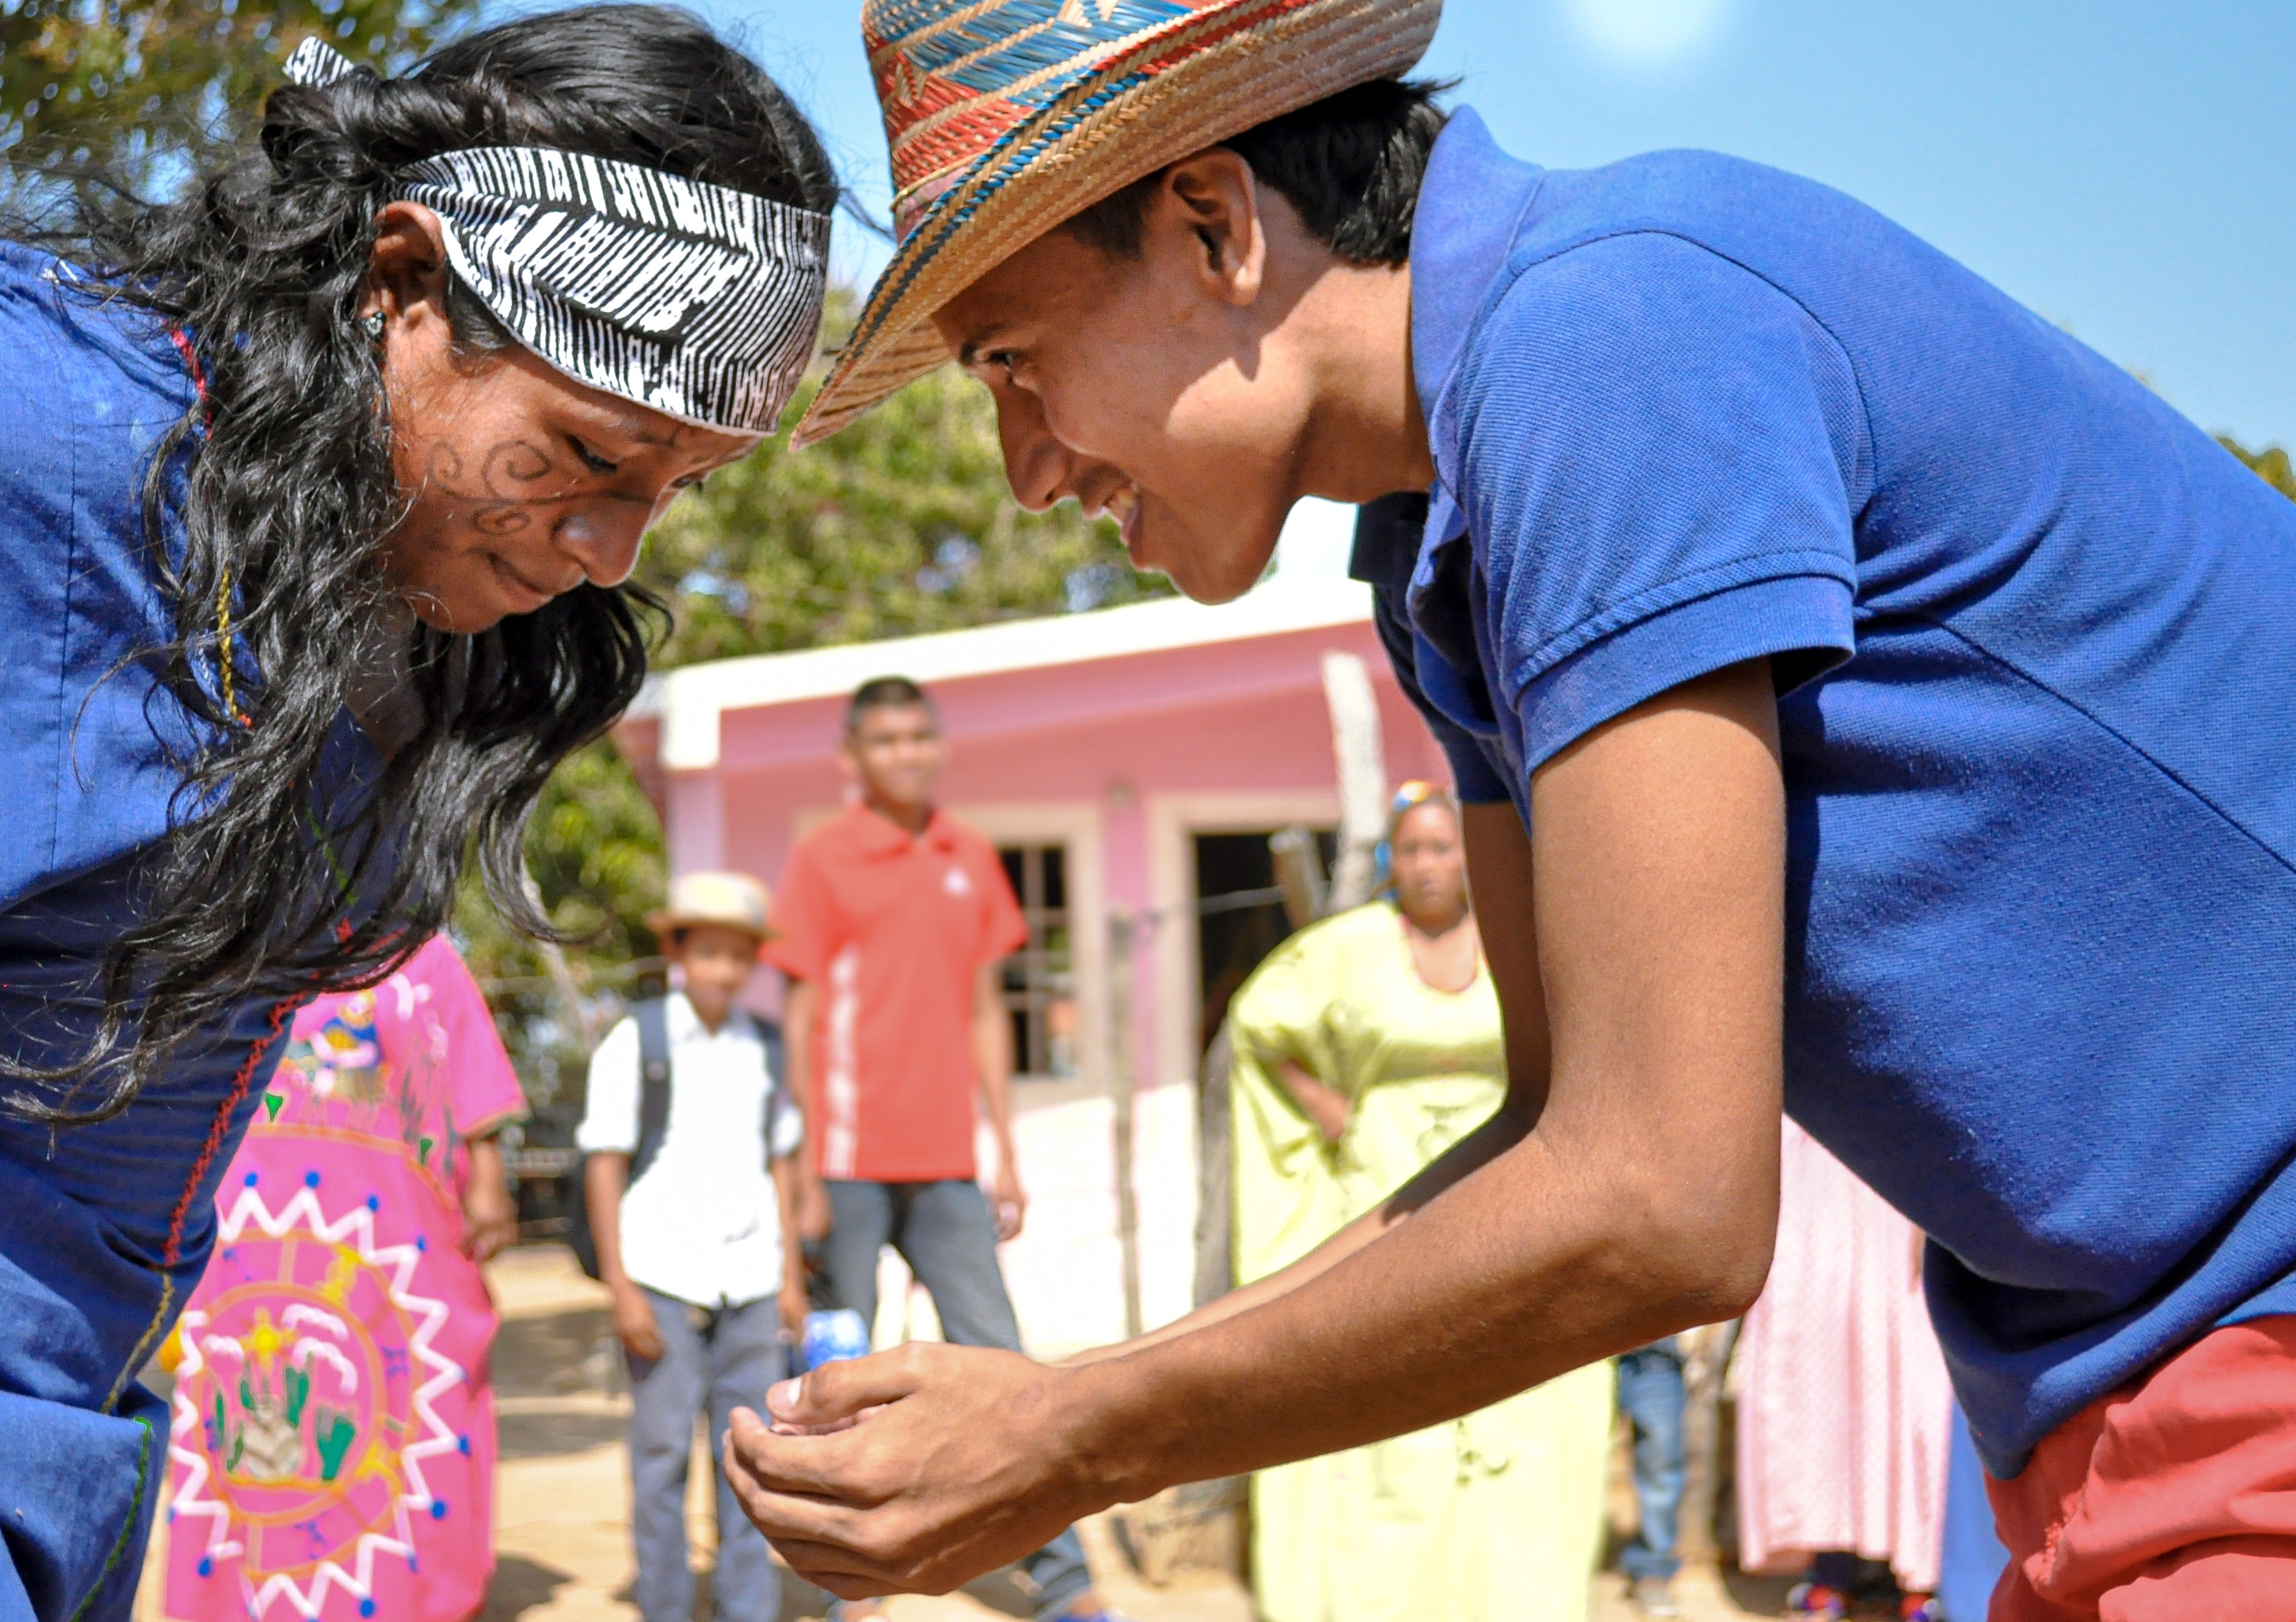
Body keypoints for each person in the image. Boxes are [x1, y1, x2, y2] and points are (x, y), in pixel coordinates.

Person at [724, 5, 2296, 1621]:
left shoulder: (1605, 339)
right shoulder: (1434, 543)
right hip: (2122, 1377)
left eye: (1013, 364)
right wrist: (1070, 1396)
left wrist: (1076, 1437)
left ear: (1212, 226)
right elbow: (1562, 1138)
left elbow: (1658, 1204)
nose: (1024, 470)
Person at [0, 9, 838, 1614]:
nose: (610, 543)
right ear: (399, 284)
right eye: (587, 453)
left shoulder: (401, 599)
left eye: (672, 489)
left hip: (5, 1453)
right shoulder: (12, 427)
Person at [761, 678, 1127, 1622]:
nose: (907, 753)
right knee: (841, 1379)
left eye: (920, 736)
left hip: (947, 1164)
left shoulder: (968, 853)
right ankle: (854, 1581)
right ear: (853, 756)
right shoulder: (822, 857)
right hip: (842, 1163)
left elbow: (982, 1011)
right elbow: (797, 1019)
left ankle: (1066, 1583)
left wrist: (1002, 1148)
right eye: (885, 740)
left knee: (999, 1360)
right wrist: (799, 1167)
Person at [1226, 783, 1610, 1622]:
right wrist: (1326, 1105)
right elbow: (1257, 1026)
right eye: (1413, 850)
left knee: (1514, 1391)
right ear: (1389, 863)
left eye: (1445, 848)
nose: (1430, 865)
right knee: (1397, 1373)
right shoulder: (1346, 949)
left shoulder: (1523, 938)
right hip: (1386, 1189)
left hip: (1505, 1188)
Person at [159, 935, 526, 1621]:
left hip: (399, 1238)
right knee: (247, 1422)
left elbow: (471, 1082)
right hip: (252, 1237)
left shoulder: (424, 958)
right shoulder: (235, 942)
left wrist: (490, 1187)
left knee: (411, 1413)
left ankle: (413, 1603)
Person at [580, 872, 808, 1622]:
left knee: (750, 1461)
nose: (724, 969)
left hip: (748, 1283)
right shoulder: (636, 1039)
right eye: (708, 952)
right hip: (662, 1280)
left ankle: (747, 1608)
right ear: (678, 952)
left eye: (738, 956)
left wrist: (789, 1280)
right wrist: (621, 1287)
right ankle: (666, 1607)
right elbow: (605, 1160)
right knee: (661, 1460)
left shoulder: (764, 1047)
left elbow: (780, 1160)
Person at [1735, 1119, 1954, 1622]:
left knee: (1911, 1387)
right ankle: (1832, 1573)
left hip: (1899, 1193)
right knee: (1825, 1391)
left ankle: (1916, 1579)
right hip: (1816, 1196)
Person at [1614, 1338, 1691, 1618]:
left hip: (1657, 1352)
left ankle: (1653, 1571)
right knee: (1573, 1464)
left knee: (1662, 1468)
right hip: (1584, 1356)